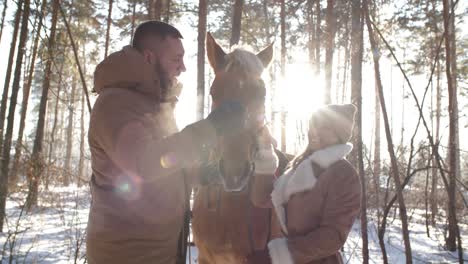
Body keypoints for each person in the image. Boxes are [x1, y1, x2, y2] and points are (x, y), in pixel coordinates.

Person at [86, 21, 246, 264]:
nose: (183, 67)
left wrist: (201, 173)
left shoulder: (158, 105)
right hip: (127, 254)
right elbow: (142, 164)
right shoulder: (116, 104)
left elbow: (166, 163)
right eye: (176, 59)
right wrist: (210, 127)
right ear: (149, 57)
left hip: (164, 250)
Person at [250, 104, 362, 264]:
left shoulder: (343, 174)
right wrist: (265, 149)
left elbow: (333, 236)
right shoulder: (297, 166)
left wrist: (275, 256)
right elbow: (262, 199)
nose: (314, 131)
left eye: (324, 127)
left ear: (339, 135)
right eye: (313, 125)